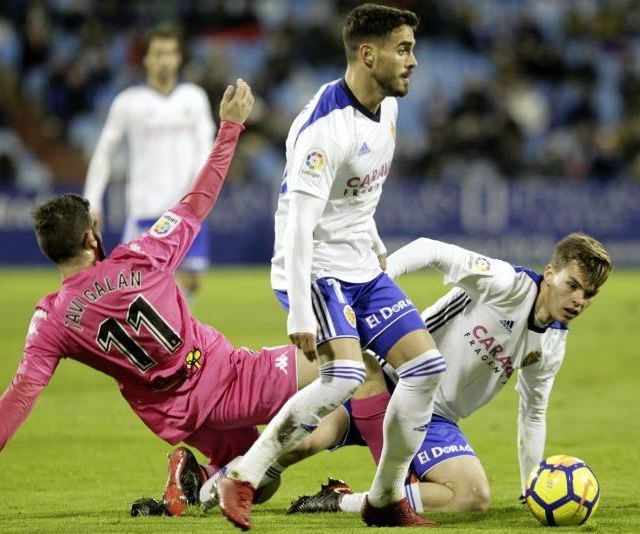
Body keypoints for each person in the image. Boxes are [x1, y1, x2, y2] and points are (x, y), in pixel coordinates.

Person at [0, 81, 318, 516]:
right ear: (90, 236)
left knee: (259, 480)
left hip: (174, 414)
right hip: (224, 375)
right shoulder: (141, 257)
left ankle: (195, 478)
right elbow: (199, 200)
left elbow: (21, 393)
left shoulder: (53, 319)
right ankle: (400, 484)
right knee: (338, 365)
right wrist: (230, 127)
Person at [213, 3, 446, 530]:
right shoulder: (325, 130)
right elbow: (298, 227)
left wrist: (376, 240)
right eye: (402, 49)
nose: (413, 61)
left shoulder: (387, 105)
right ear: (368, 54)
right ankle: (243, 475)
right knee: (342, 375)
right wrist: (299, 310)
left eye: (412, 48)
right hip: (316, 267)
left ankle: (385, 499)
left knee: (426, 367)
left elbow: (360, 196)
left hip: (361, 265)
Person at [254, 233, 611, 515]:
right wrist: (372, 284)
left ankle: (342, 501)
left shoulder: (550, 346)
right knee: (294, 446)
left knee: (472, 496)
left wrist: (530, 489)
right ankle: (214, 477)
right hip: (392, 376)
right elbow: (430, 249)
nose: (579, 300)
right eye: (572, 285)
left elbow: (532, 414)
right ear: (551, 273)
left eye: (589, 294)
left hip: (435, 418)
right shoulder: (507, 283)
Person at [83, 25, 215, 304]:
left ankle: (169, 335)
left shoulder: (194, 98)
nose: (164, 60)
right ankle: (150, 337)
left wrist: (198, 196)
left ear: (179, 58)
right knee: (137, 284)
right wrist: (92, 200)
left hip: (185, 209)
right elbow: (105, 151)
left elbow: (207, 150)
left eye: (170, 53)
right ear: (146, 59)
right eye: (158, 54)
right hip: (145, 208)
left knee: (192, 280)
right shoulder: (129, 102)